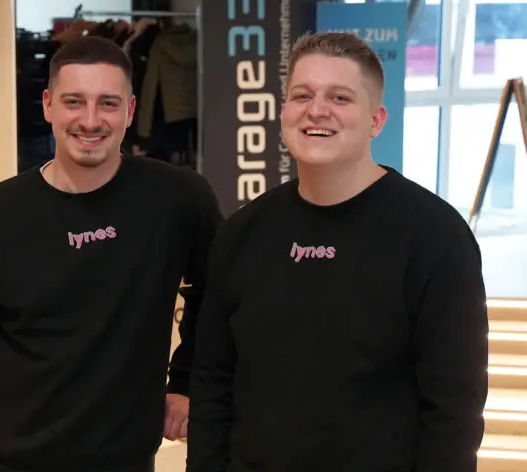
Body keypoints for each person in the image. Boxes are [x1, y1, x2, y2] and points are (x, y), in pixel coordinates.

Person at [186, 31, 489, 472]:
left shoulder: (435, 237)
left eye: (340, 97)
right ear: (284, 111)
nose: (317, 110)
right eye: (302, 95)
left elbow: (454, 411)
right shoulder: (241, 233)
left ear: (376, 120)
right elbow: (213, 383)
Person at [0, 35, 222, 472]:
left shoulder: (178, 200)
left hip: (125, 458)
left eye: (108, 103)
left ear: (130, 111)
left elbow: (219, 295)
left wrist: (186, 381)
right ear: (48, 105)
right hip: (8, 458)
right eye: (74, 102)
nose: (90, 120)